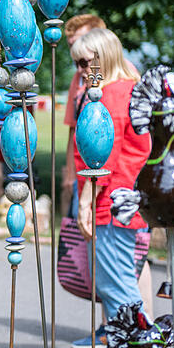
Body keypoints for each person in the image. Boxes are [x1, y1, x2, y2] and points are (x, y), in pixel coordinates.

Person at [71, 28, 151, 346]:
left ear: (103, 58)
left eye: (84, 62)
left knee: (117, 285)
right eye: (76, 63)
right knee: (114, 282)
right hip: (120, 198)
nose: (79, 70)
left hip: (112, 200)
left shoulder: (114, 94)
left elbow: (105, 154)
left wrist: (86, 202)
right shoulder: (128, 90)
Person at [61, 14, 107, 215]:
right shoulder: (78, 78)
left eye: (79, 42)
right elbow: (73, 128)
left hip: (106, 176)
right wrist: (69, 175)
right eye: (71, 45)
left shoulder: (118, 78)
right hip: (82, 173)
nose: (74, 51)